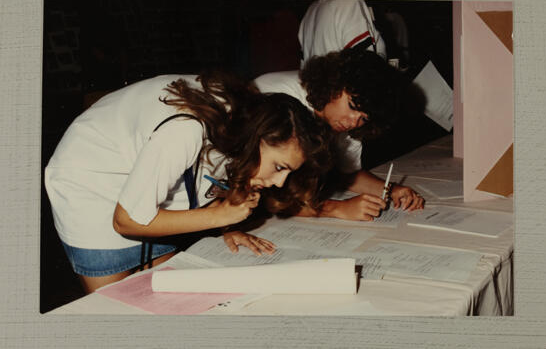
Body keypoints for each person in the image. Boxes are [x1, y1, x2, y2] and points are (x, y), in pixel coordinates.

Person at [44, 71, 332, 293]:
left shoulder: (241, 123)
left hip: (146, 169)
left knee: (167, 293)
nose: (280, 182)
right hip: (92, 176)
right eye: (279, 167)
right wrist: (214, 217)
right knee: (118, 307)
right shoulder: (185, 131)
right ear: (259, 136)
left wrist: (224, 225)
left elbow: (206, 176)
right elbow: (126, 221)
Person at [254, 48, 424, 222]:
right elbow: (266, 192)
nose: (353, 122)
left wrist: (389, 189)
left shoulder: (340, 121)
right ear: (333, 84)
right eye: (351, 106)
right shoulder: (281, 99)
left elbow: (348, 174)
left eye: (364, 118)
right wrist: (336, 208)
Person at [298, 0, 387, 67]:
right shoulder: (348, 2)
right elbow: (366, 65)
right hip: (346, 89)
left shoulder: (311, 10)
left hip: (320, 89)